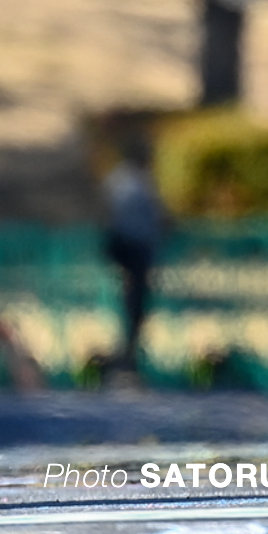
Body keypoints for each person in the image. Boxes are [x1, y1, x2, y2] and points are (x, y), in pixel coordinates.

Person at [102, 135, 163, 377]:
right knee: (131, 302)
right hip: (133, 248)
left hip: (131, 246)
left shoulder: (120, 180)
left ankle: (129, 352)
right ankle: (126, 355)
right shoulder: (132, 182)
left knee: (134, 302)